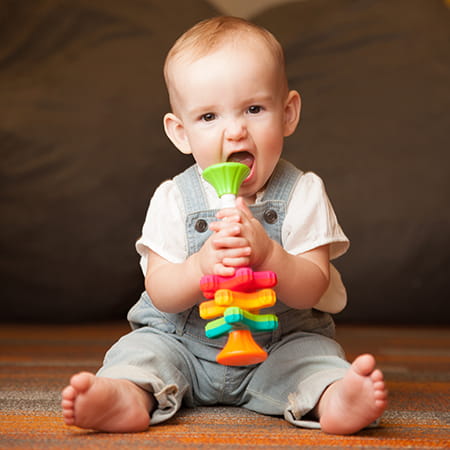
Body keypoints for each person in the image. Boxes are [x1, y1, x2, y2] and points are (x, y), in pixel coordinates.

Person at [61, 16, 387, 435]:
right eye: (209, 116)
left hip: (278, 345)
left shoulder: (302, 192)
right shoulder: (175, 198)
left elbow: (311, 288)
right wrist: (200, 266)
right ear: (181, 133)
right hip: (183, 345)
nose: (235, 131)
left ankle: (334, 398)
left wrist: (270, 255)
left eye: (254, 109)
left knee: (314, 359)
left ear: (288, 114)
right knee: (141, 352)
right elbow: (161, 293)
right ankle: (124, 396)